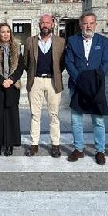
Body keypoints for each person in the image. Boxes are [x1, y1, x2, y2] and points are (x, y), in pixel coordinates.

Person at [65, 13, 108, 165]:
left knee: (98, 120)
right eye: (85, 23)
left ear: (95, 24)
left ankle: (100, 151)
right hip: (77, 86)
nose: (88, 26)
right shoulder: (72, 41)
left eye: (91, 23)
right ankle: (78, 149)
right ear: (80, 24)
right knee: (76, 119)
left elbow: (105, 63)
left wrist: (94, 81)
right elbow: (69, 62)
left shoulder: (102, 41)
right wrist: (81, 80)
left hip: (96, 88)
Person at [22, 14, 65, 158]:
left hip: (53, 81)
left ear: (52, 25)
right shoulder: (30, 41)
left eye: (48, 23)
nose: (45, 25)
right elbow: (26, 62)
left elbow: (62, 63)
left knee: (54, 115)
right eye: (43, 23)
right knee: (35, 114)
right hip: (36, 81)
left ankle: (55, 145)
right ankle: (34, 145)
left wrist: (56, 74)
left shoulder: (60, 42)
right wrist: (33, 75)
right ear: (39, 25)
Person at [0, 23, 25, 156]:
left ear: (10, 33)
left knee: (11, 117)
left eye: (8, 31)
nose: (5, 34)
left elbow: (20, 67)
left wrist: (11, 80)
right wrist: (1, 81)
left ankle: (9, 145)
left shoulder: (17, 48)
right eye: (3, 32)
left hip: (12, 86)